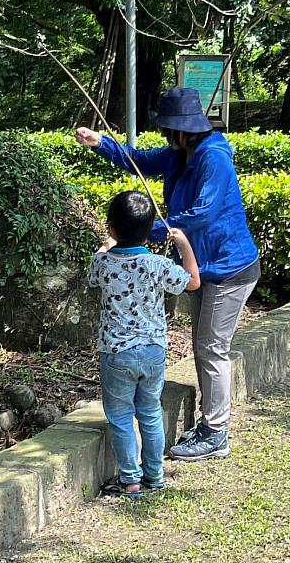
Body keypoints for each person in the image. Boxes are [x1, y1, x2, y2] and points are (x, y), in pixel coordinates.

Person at [76, 86, 260, 462]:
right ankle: (211, 424)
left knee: (211, 350)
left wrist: (143, 234)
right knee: (203, 347)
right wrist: (102, 144)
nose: (164, 137)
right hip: (202, 268)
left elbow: (201, 215)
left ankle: (215, 432)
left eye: (167, 129)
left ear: (183, 129)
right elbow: (140, 160)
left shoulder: (213, 158)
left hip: (229, 268)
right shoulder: (182, 152)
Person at [89, 190, 200, 497]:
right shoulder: (155, 264)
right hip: (153, 351)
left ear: (111, 226)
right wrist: (184, 245)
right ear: (151, 228)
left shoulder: (103, 263)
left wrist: (107, 244)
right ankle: (155, 474)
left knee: (121, 415)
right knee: (150, 411)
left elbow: (95, 268)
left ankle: (130, 480)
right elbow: (193, 282)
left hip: (117, 353)